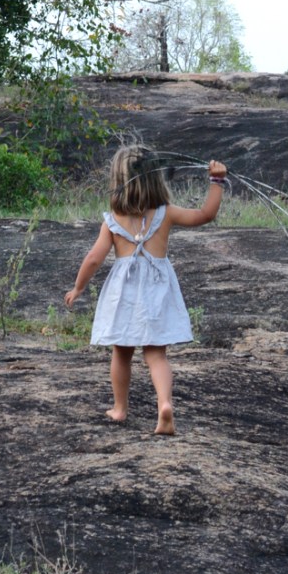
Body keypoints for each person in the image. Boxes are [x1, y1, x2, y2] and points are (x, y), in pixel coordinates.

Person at [65, 146, 228, 435]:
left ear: (118, 181)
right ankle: (164, 404)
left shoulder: (112, 220)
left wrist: (78, 288)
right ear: (155, 179)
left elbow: (94, 258)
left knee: (121, 352)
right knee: (156, 355)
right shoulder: (165, 214)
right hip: (157, 291)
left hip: (124, 295)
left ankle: (119, 408)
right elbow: (206, 214)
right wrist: (216, 182)